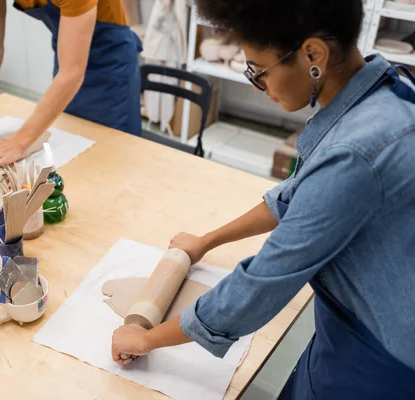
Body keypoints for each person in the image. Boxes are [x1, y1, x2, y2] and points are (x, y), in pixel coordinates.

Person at [111, 0, 415, 398]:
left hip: (378, 357)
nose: (262, 86)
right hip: (355, 325)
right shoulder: (382, 87)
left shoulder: (356, 154)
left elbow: (261, 284)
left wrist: (146, 339)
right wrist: (205, 242)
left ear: (313, 54)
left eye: (260, 71)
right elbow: (297, 195)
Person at [0, 0, 141, 170]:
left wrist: (18, 143)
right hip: (68, 53)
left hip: (111, 66)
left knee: (112, 161)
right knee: (77, 158)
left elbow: (72, 74)